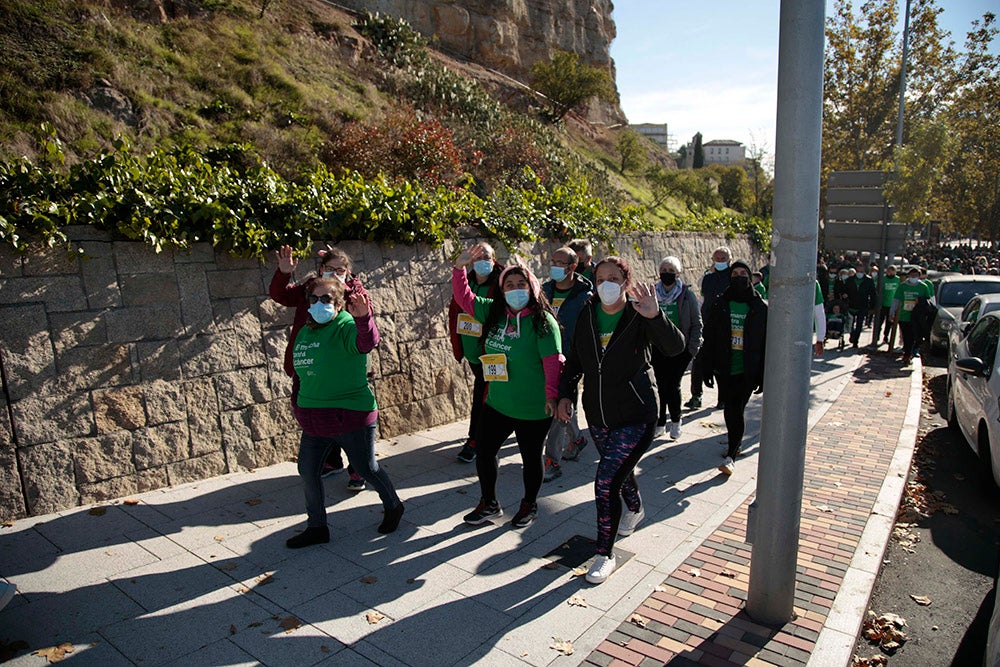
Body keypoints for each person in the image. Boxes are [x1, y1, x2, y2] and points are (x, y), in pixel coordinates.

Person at [558, 256, 685, 584]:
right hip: (598, 415)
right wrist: (565, 394)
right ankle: (636, 506)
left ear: (625, 283)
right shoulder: (587, 313)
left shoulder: (638, 313)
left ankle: (604, 554)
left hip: (636, 414)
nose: (606, 285)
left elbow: (676, 347)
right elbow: (574, 360)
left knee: (604, 482)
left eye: (613, 278)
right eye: (600, 278)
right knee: (617, 471)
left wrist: (656, 316)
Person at [286, 277, 403, 548]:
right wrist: (299, 406)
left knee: (366, 468)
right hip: (315, 419)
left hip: (350, 416)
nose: (319, 304)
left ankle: (394, 505)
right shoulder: (305, 331)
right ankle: (317, 527)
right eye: (314, 299)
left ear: (339, 304)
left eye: (326, 299)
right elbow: (301, 375)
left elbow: (366, 342)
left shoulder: (346, 325)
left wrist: (364, 319)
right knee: (307, 471)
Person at [452, 245, 563, 529]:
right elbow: (464, 298)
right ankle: (489, 503)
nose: (515, 289)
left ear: (532, 287)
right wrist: (459, 269)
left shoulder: (543, 321)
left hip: (533, 407)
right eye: (510, 285)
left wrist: (552, 396)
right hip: (498, 403)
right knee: (485, 452)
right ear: (502, 290)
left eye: (521, 284)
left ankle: (529, 504)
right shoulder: (493, 312)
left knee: (530, 457)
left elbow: (553, 361)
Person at [270, 245, 366, 492]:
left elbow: (366, 310)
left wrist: (349, 281)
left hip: (340, 369)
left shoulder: (352, 292)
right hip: (309, 365)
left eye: (340, 270)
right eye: (329, 268)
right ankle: (331, 460)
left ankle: (359, 468)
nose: (334, 274)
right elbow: (280, 295)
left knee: (346, 417)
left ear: (348, 273)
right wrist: (283, 272)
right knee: (314, 413)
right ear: (321, 269)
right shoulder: (310, 289)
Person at [700, 260, 768, 477]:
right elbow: (709, 338)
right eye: (735, 274)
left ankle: (732, 449)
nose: (739, 277)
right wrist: (706, 368)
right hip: (725, 367)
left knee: (737, 407)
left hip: (748, 368)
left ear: (750, 277)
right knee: (731, 408)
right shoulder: (720, 304)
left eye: (743, 273)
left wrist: (764, 374)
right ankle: (733, 447)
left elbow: (767, 342)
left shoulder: (760, 308)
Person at [447, 241, 503, 463]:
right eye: (477, 258)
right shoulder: (465, 282)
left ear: (494, 259)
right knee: (487, 395)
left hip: (493, 353)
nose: (482, 262)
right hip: (473, 355)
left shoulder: (502, 282)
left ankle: (475, 440)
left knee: (483, 395)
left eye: (486, 258)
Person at [540, 246, 593, 482]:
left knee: (556, 409)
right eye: (552, 261)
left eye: (560, 262)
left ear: (573, 267)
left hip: (571, 360)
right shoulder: (543, 291)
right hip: (547, 357)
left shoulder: (585, 297)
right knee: (562, 404)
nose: (554, 266)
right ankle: (578, 438)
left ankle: (552, 460)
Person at [651, 256, 702, 440]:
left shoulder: (686, 295)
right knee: (658, 385)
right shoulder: (653, 293)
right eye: (663, 270)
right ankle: (660, 422)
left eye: (671, 271)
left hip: (680, 348)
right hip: (657, 348)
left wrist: (692, 349)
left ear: (678, 274)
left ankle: (676, 421)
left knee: (672, 386)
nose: (666, 274)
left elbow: (696, 323)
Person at [687, 246, 733, 411]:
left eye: (723, 259)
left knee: (722, 363)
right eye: (717, 259)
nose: (720, 262)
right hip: (706, 323)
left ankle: (723, 398)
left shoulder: (733, 278)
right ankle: (696, 395)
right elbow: (703, 299)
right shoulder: (708, 278)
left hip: (724, 326)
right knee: (698, 361)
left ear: (729, 260)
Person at [890, 266, 934, 365]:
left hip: (917, 317)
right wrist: (891, 312)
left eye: (916, 276)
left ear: (919, 276)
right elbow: (896, 300)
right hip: (904, 315)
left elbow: (928, 300)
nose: (914, 277)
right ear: (908, 276)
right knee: (906, 336)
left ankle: (910, 353)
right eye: (912, 275)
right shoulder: (902, 286)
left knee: (915, 336)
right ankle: (907, 354)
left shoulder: (923, 287)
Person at [844, 262, 876, 349]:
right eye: (858, 271)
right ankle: (852, 335)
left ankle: (855, 341)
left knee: (859, 325)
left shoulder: (868, 281)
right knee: (851, 324)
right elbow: (845, 290)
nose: (859, 273)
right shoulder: (849, 280)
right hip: (851, 305)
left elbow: (873, 294)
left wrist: (873, 307)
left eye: (861, 271)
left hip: (863, 306)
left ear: (864, 272)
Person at [874, 264, 900, 346]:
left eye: (892, 272)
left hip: (892, 305)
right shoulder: (883, 279)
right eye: (889, 272)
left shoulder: (898, 280)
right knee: (879, 321)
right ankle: (876, 336)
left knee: (889, 323)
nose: (890, 274)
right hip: (883, 304)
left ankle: (886, 336)